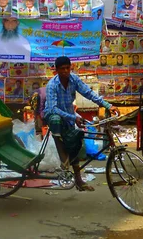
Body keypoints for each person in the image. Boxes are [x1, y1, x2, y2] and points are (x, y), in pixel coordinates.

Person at [44, 56, 118, 191]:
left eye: (68, 68)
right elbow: (53, 108)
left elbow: (89, 93)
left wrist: (107, 105)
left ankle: (79, 181)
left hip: (68, 115)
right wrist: (73, 117)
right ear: (56, 70)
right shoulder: (52, 85)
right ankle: (63, 157)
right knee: (56, 119)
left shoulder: (74, 79)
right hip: (53, 116)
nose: (65, 71)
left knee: (74, 143)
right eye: (62, 69)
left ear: (71, 67)